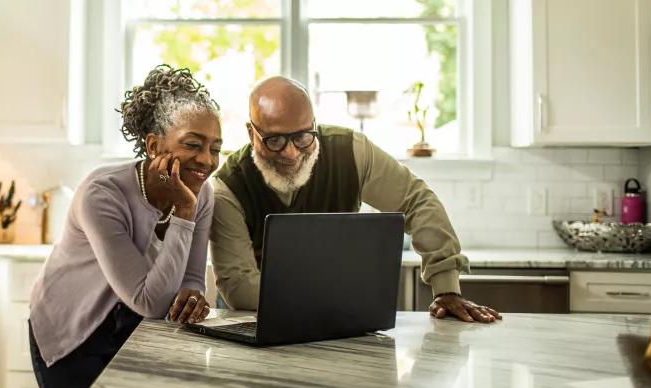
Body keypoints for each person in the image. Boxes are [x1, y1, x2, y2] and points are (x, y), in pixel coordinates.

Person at [210, 76, 501, 323]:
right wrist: (340, 294)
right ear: (251, 133)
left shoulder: (352, 152)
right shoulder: (227, 187)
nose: (291, 153)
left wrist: (446, 287)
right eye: (274, 140)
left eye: (303, 136)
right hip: (255, 321)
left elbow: (416, 201)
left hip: (339, 317)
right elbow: (239, 287)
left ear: (314, 123)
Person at [28, 65, 222, 388]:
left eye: (215, 148)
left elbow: (191, 279)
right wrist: (183, 211)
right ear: (153, 145)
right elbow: (150, 301)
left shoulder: (202, 193)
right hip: (73, 331)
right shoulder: (102, 194)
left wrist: (193, 296)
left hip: (133, 331)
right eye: (193, 144)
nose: (207, 160)